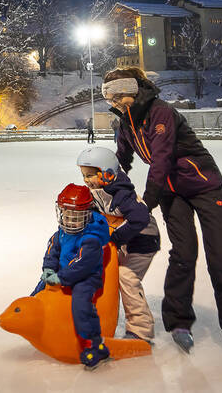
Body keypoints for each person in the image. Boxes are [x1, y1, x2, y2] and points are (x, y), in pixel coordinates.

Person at [102, 66, 222, 363]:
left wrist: (145, 203)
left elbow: (161, 160)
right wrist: (102, 182)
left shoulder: (160, 113)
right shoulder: (125, 123)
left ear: (129, 91)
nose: (110, 100)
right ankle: (178, 322)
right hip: (172, 193)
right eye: (106, 95)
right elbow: (120, 160)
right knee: (183, 254)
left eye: (113, 93)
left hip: (206, 187)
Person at [77, 146, 160, 342]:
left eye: (91, 175)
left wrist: (113, 239)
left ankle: (141, 331)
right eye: (84, 175)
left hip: (143, 242)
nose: (86, 180)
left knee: (126, 278)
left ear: (108, 173)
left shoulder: (122, 194)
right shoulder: (98, 190)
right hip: (125, 241)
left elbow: (139, 219)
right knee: (104, 274)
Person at [32, 183, 111, 369]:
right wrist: (49, 269)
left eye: (75, 217)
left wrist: (62, 278)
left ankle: (95, 344)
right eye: (66, 216)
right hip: (63, 273)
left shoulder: (90, 238)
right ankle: (36, 324)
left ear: (86, 215)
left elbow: (82, 264)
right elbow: (52, 250)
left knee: (80, 303)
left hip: (86, 277)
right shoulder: (61, 233)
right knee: (38, 291)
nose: (69, 221)